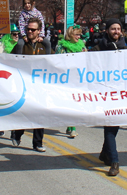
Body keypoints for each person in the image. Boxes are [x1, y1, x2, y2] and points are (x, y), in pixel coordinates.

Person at [92, 19, 127, 176]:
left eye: (118, 29)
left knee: (114, 126)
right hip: (105, 93)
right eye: (113, 29)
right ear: (107, 30)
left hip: (121, 93)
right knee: (110, 125)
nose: (116, 31)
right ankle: (114, 162)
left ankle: (104, 153)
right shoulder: (99, 48)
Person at [11, 18, 51, 152]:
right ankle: (17, 134)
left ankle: (38, 143)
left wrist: (45, 41)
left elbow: (52, 62)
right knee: (24, 112)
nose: (29, 31)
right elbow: (9, 60)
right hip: (24, 86)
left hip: (40, 86)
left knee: (40, 114)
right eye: (28, 29)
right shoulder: (21, 45)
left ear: (39, 31)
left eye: (33, 30)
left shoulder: (44, 45)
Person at [55, 24, 87, 138]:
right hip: (66, 79)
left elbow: (86, 61)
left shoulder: (82, 46)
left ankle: (70, 126)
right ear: (70, 34)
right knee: (70, 103)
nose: (79, 37)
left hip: (78, 78)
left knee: (76, 103)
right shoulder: (61, 47)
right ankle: (72, 127)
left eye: (80, 34)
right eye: (76, 34)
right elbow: (57, 62)